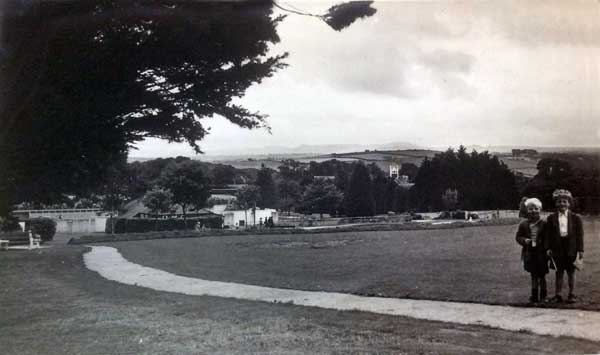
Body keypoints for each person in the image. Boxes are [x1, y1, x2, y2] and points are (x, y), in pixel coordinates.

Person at [544, 189, 584, 304]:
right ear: (556, 203)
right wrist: (547, 248)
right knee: (559, 273)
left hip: (571, 248)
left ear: (569, 203)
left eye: (565, 201)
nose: (562, 203)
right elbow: (548, 234)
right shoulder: (551, 218)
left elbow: (580, 235)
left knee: (571, 273)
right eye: (559, 201)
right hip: (557, 249)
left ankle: (572, 294)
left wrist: (581, 250)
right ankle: (558, 295)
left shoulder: (576, 218)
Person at [515, 198, 548, 303]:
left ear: (540, 209)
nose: (533, 211)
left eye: (536, 208)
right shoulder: (523, 224)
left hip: (541, 253)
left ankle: (543, 296)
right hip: (529, 253)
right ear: (527, 210)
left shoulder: (544, 224)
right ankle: (534, 296)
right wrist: (525, 240)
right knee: (533, 275)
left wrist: (547, 248)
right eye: (530, 209)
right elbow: (518, 237)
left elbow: (548, 238)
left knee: (542, 275)